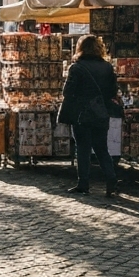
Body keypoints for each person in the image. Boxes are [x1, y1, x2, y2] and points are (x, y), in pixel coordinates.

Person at [57, 34, 120, 197]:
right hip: (101, 112)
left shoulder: (77, 67)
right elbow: (113, 91)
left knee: (83, 148)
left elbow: (68, 91)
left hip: (82, 114)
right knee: (101, 148)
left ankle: (83, 183)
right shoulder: (107, 67)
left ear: (80, 48)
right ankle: (111, 180)